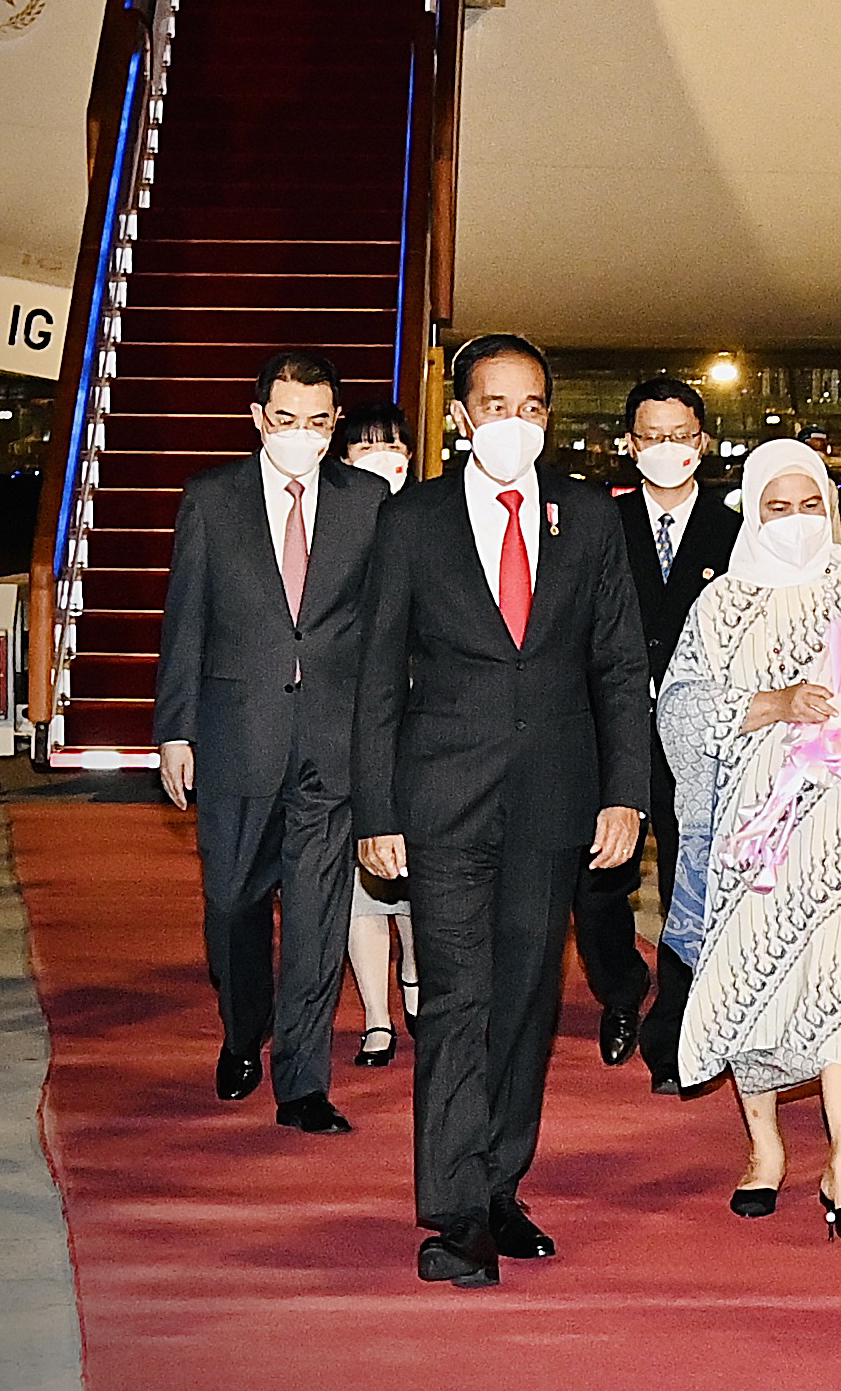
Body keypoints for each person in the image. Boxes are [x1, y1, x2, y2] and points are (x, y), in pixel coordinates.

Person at [354, 333, 651, 1289]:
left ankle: (498, 1185)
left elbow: (617, 665)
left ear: (548, 417)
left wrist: (626, 791)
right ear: (462, 416)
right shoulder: (413, 521)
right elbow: (374, 680)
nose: (513, 423)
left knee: (525, 1000)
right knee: (455, 1001)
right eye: (495, 405)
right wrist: (377, 808)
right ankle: (451, 1214)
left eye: (532, 407)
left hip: (554, 800)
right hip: (441, 798)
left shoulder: (589, 518)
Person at [661, 439, 841, 1233]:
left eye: (810, 506)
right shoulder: (719, 605)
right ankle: (765, 1148)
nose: (796, 522)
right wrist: (775, 703)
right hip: (753, 840)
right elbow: (677, 714)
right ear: (753, 512)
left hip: (839, 834)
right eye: (777, 508)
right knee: (752, 985)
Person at [155, 349, 388, 1133]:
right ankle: (240, 1031)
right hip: (234, 731)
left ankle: (303, 1083)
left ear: (335, 425)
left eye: (318, 422)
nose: (301, 434)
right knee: (233, 903)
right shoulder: (212, 499)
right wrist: (176, 729)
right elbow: (184, 620)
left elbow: (384, 633)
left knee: (321, 917)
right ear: (259, 419)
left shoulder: (367, 501)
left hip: (333, 740)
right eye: (286, 420)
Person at [581, 376, 741, 1091]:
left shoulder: (738, 534)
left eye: (681, 436)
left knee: (691, 880)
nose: (667, 450)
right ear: (630, 444)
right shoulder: (596, 525)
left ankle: (675, 1027)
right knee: (597, 882)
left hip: (700, 736)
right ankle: (619, 989)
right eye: (653, 437)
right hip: (610, 730)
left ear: (701, 442)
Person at [333, 402, 421, 1069]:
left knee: (423, 879)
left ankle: (418, 984)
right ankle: (375, 1017)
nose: (385, 458)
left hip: (428, 730)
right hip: (351, 727)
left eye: (395, 446)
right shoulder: (334, 531)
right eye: (367, 448)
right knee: (363, 886)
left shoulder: (435, 521)